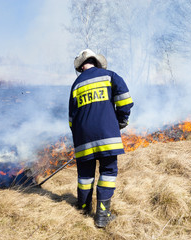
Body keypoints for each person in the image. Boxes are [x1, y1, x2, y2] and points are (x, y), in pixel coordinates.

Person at [68, 49, 133, 228]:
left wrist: (80, 137)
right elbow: (125, 101)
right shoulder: (110, 76)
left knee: (85, 175)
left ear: (82, 66)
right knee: (108, 172)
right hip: (106, 135)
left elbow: (71, 119)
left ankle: (83, 208)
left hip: (83, 139)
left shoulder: (76, 85)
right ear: (96, 62)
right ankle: (102, 215)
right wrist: (121, 121)